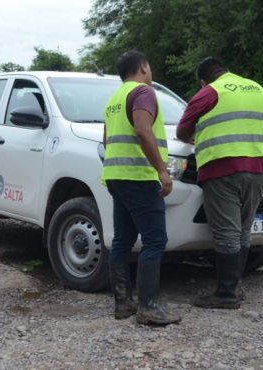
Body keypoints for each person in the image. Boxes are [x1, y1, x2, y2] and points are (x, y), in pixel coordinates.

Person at [176, 57, 263, 309]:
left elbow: (181, 132)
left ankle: (226, 294)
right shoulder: (258, 89)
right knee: (244, 230)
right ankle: (236, 287)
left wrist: (196, 136)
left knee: (226, 233)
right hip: (260, 167)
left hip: (224, 167)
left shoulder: (210, 92)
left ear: (203, 80)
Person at [101, 50, 181, 325]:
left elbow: (106, 139)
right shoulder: (144, 92)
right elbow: (143, 130)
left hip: (115, 175)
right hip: (138, 175)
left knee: (123, 239)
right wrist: (161, 169)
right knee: (155, 240)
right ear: (144, 67)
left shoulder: (114, 99)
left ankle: (123, 303)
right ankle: (149, 307)